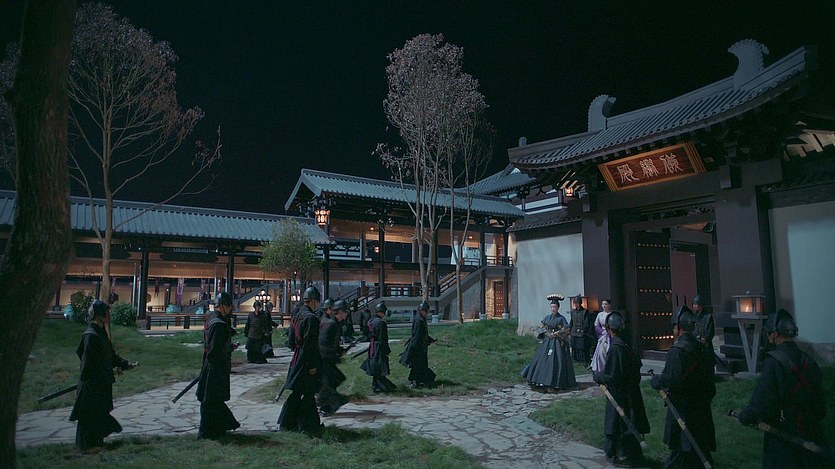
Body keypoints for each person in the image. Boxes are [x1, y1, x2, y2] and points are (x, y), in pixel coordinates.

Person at [736, 309, 828, 468]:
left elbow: (761, 402)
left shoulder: (774, 363)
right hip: (811, 432)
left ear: (775, 335)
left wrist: (746, 416)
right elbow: (820, 406)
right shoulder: (808, 361)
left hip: (784, 438)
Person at [651, 305, 716, 468]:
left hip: (683, 410)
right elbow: (710, 385)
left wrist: (657, 382)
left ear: (677, 327)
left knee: (683, 451)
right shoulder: (702, 349)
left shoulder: (677, 351)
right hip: (701, 409)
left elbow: (672, 380)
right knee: (697, 451)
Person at [69, 300, 136, 452]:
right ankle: (87, 446)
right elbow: (86, 362)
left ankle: (96, 443)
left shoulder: (100, 332)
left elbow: (109, 354)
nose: (109, 315)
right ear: (99, 315)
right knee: (89, 415)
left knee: (99, 413)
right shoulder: (91, 336)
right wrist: (93, 379)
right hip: (92, 384)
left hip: (101, 382)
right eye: (106, 312)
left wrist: (124, 364)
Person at [593, 311, 650, 468]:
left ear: (609, 329)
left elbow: (613, 375)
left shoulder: (617, 348)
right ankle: (628, 454)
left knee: (619, 425)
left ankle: (623, 455)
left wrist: (598, 377)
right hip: (630, 393)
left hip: (620, 395)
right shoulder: (626, 344)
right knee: (627, 422)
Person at [195, 291, 241, 439]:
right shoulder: (218, 324)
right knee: (209, 400)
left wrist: (228, 347)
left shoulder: (213, 320)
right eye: (228, 306)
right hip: (215, 367)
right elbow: (214, 349)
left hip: (213, 365)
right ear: (223, 306)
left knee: (214, 400)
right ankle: (206, 432)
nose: (230, 309)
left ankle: (218, 428)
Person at [277, 286, 322, 433]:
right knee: (306, 392)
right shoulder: (311, 319)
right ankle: (305, 425)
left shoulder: (297, 315)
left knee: (300, 392)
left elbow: (290, 339)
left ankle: (292, 423)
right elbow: (310, 344)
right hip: (306, 359)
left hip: (297, 356)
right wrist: (312, 364)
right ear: (313, 301)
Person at [521, 294, 576, 391]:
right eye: (552, 307)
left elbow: (567, 328)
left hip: (557, 342)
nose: (553, 309)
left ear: (558, 308)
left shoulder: (561, 318)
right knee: (542, 359)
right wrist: (547, 334)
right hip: (548, 340)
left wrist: (556, 334)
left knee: (557, 360)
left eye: (555, 307)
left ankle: (556, 382)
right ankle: (539, 379)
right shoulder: (547, 318)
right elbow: (541, 327)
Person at [317, 299, 351, 415]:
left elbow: (333, 344)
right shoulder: (331, 324)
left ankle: (325, 406)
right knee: (330, 383)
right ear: (340, 312)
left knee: (334, 381)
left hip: (328, 359)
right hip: (324, 360)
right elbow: (322, 344)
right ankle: (323, 402)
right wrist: (335, 354)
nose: (347, 313)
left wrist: (340, 351)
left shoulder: (335, 323)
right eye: (345, 311)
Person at [361, 301, 397, 392]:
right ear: (381, 312)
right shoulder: (380, 323)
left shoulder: (371, 321)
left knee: (377, 368)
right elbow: (383, 339)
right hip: (379, 348)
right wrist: (387, 351)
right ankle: (381, 387)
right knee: (379, 368)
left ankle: (376, 386)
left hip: (373, 346)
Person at [400, 300, 437, 388]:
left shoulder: (422, 319)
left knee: (421, 366)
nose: (427, 313)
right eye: (426, 311)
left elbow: (423, 334)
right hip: (418, 348)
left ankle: (423, 381)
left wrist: (430, 340)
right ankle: (416, 383)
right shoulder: (418, 321)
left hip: (422, 347)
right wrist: (414, 348)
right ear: (422, 311)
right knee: (417, 366)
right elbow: (416, 336)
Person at [590, 299, 614, 373]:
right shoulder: (600, 314)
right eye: (603, 304)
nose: (604, 306)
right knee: (601, 352)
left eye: (606, 304)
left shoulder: (612, 314)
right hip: (603, 335)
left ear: (609, 305)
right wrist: (601, 331)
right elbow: (596, 324)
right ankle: (601, 368)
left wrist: (610, 332)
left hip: (610, 335)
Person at [569, 295, 592, 364]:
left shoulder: (584, 311)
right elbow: (571, 322)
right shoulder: (572, 311)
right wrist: (570, 330)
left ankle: (582, 360)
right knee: (574, 346)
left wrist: (583, 330)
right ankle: (575, 359)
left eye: (577, 303)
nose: (576, 304)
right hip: (574, 331)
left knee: (581, 347)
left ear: (580, 303)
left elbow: (586, 323)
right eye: (575, 303)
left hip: (581, 331)